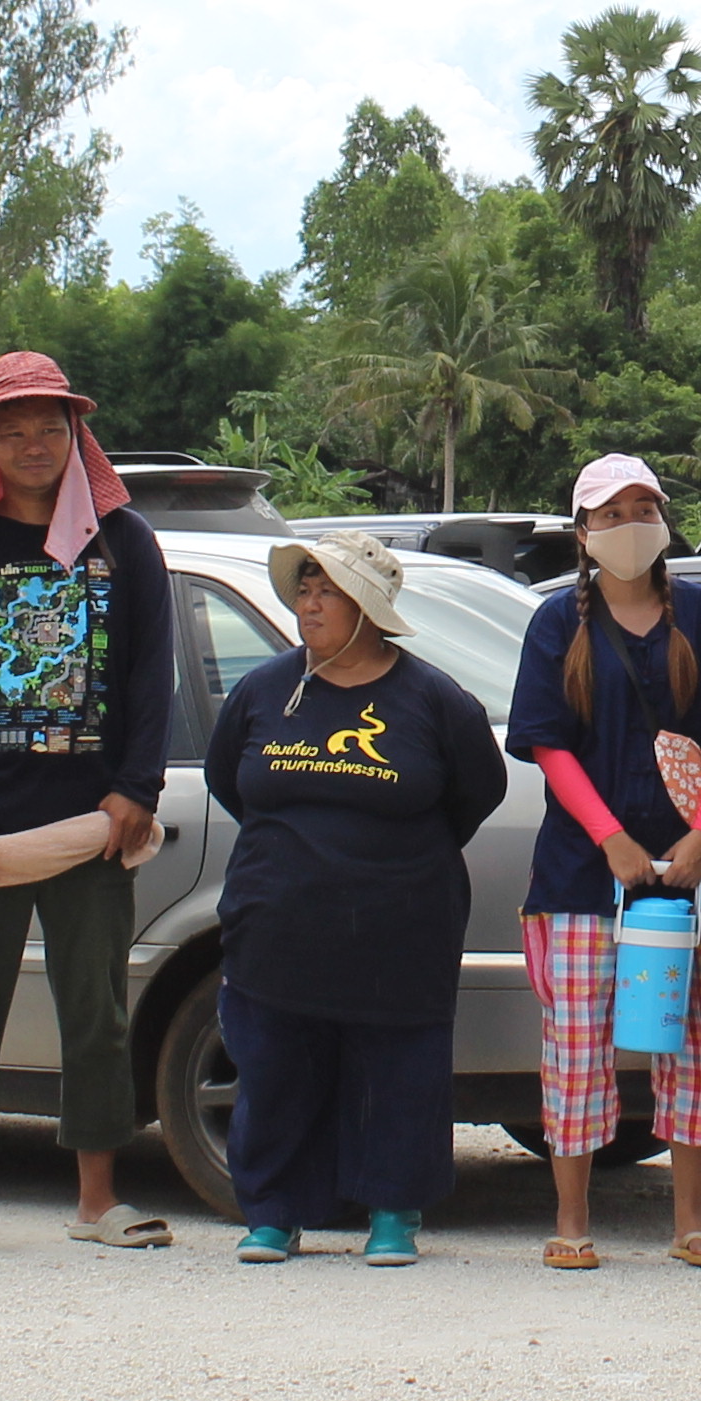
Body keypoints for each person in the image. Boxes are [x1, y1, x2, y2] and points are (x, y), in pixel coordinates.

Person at [0, 351, 179, 1259]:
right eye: (11, 430)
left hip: (93, 826)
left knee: (96, 1014)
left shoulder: (124, 543)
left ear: (75, 435)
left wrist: (136, 790)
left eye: (48, 428)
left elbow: (151, 675)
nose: (32, 444)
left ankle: (99, 1199)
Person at [201, 527, 509, 1265]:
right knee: (275, 1069)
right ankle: (274, 1212)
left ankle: (393, 1210)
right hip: (276, 924)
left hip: (400, 929)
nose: (308, 605)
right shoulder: (263, 690)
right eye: (303, 590)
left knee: (399, 1073)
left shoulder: (433, 699)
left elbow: (478, 791)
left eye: (326, 592)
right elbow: (228, 780)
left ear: (368, 608)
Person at [506, 454, 701, 1270]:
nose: (630, 525)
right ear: (582, 532)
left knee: (698, 1040)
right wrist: (611, 837)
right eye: (610, 514)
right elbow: (548, 743)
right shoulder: (556, 623)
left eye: (644, 509)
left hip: (693, 878)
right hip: (581, 877)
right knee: (577, 1046)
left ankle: (692, 1219)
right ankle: (572, 1220)